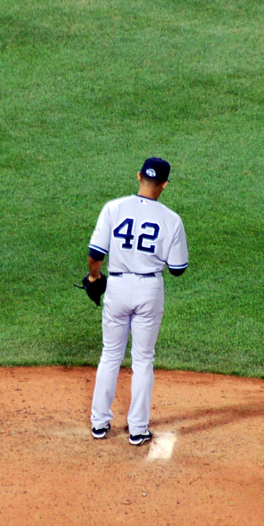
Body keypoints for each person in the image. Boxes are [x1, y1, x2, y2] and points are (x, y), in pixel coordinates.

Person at [85, 156, 189, 446]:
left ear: (139, 175)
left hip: (116, 287)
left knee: (110, 355)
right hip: (148, 289)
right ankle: (138, 429)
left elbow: (95, 254)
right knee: (143, 359)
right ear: (164, 184)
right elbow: (178, 269)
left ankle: (99, 424)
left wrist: (94, 277)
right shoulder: (171, 219)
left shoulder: (113, 208)